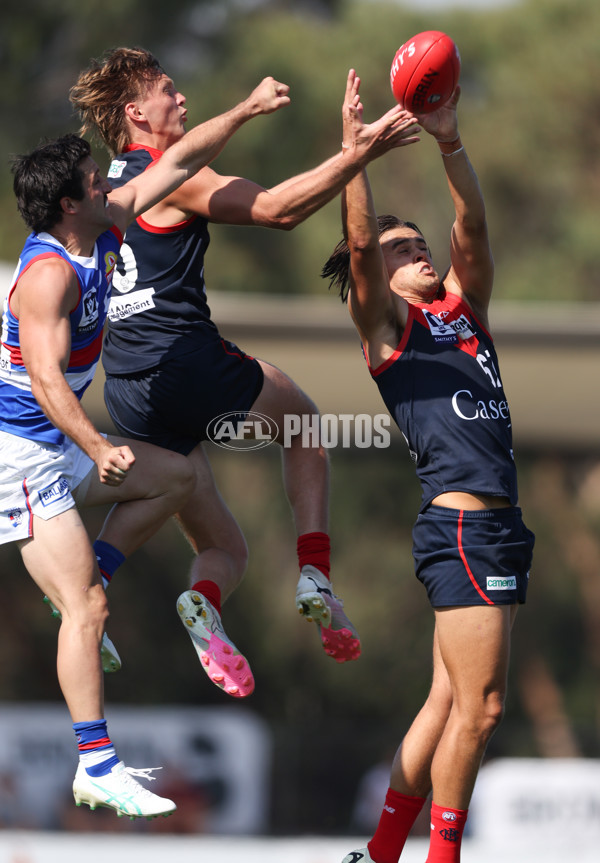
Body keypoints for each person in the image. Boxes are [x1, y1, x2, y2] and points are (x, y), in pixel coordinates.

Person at [68, 48, 420, 697]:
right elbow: (280, 209)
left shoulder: (104, 186)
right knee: (304, 424)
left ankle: (128, 590)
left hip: (127, 387)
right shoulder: (167, 175)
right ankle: (316, 574)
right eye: (168, 90)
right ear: (134, 111)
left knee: (224, 547)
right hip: (186, 361)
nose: (181, 99)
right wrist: (358, 154)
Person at [0, 76, 304, 819]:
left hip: (58, 449)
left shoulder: (101, 225)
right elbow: (44, 379)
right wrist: (95, 442)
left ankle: (87, 575)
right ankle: (95, 764)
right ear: (71, 202)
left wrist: (245, 107)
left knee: (177, 481)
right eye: (97, 181)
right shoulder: (45, 276)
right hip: (22, 457)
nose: (113, 184)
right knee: (87, 607)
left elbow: (177, 161)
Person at [322, 72, 535, 862]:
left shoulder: (464, 312)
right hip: (465, 534)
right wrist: (354, 156)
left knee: (449, 699)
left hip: (500, 530)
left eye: (419, 246)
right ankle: (440, 857)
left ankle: (380, 854)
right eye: (400, 251)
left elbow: (471, 222)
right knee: (480, 711)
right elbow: (357, 251)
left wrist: (448, 136)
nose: (420, 256)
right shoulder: (388, 332)